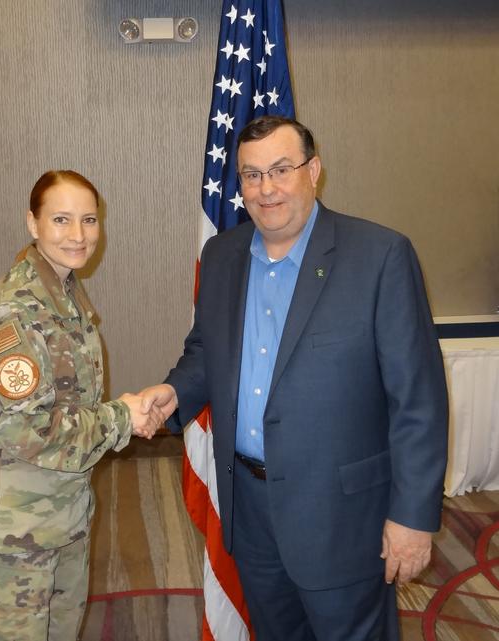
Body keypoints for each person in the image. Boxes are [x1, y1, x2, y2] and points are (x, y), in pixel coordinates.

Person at [141, 116, 448, 641]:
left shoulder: (380, 256)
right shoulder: (222, 255)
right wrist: (174, 391)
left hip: (342, 516)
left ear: (314, 171)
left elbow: (417, 401)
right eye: (252, 175)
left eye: (281, 170)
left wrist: (413, 518)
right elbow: (206, 352)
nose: (266, 189)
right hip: (251, 510)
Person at [0, 170, 162, 641]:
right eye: (61, 220)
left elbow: (68, 402)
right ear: (33, 223)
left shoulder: (62, 297)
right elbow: (30, 431)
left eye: (89, 220)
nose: (78, 235)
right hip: (11, 539)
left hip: (59, 518)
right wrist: (123, 416)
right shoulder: (14, 312)